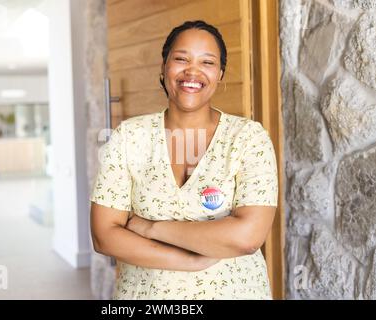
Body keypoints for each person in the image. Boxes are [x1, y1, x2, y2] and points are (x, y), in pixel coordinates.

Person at [90, 20, 278, 299]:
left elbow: (247, 237)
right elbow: (104, 236)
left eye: (207, 62)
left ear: (220, 74)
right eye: (181, 59)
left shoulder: (248, 138)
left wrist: (150, 227)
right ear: (164, 67)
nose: (192, 71)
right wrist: (189, 261)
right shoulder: (129, 136)